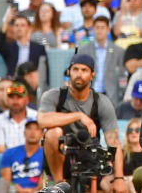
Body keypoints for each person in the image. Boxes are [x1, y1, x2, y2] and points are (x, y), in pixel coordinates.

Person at [36, 54, 127, 191]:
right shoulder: (54, 96)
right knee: (53, 133)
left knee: (115, 188)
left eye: (84, 70)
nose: (79, 74)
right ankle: (59, 185)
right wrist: (78, 116)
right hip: (60, 157)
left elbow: (114, 143)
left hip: (90, 156)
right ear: (69, 72)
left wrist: (119, 178)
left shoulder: (101, 102)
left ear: (92, 75)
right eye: (75, 69)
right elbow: (42, 120)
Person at [0, 119, 45, 193]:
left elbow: (45, 180)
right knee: (2, 182)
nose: (32, 132)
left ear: (42, 134)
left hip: (37, 191)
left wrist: (33, 190)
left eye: (37, 129)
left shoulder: (46, 154)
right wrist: (18, 189)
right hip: (13, 190)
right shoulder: (10, 152)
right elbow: (6, 179)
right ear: (24, 132)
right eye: (29, 128)